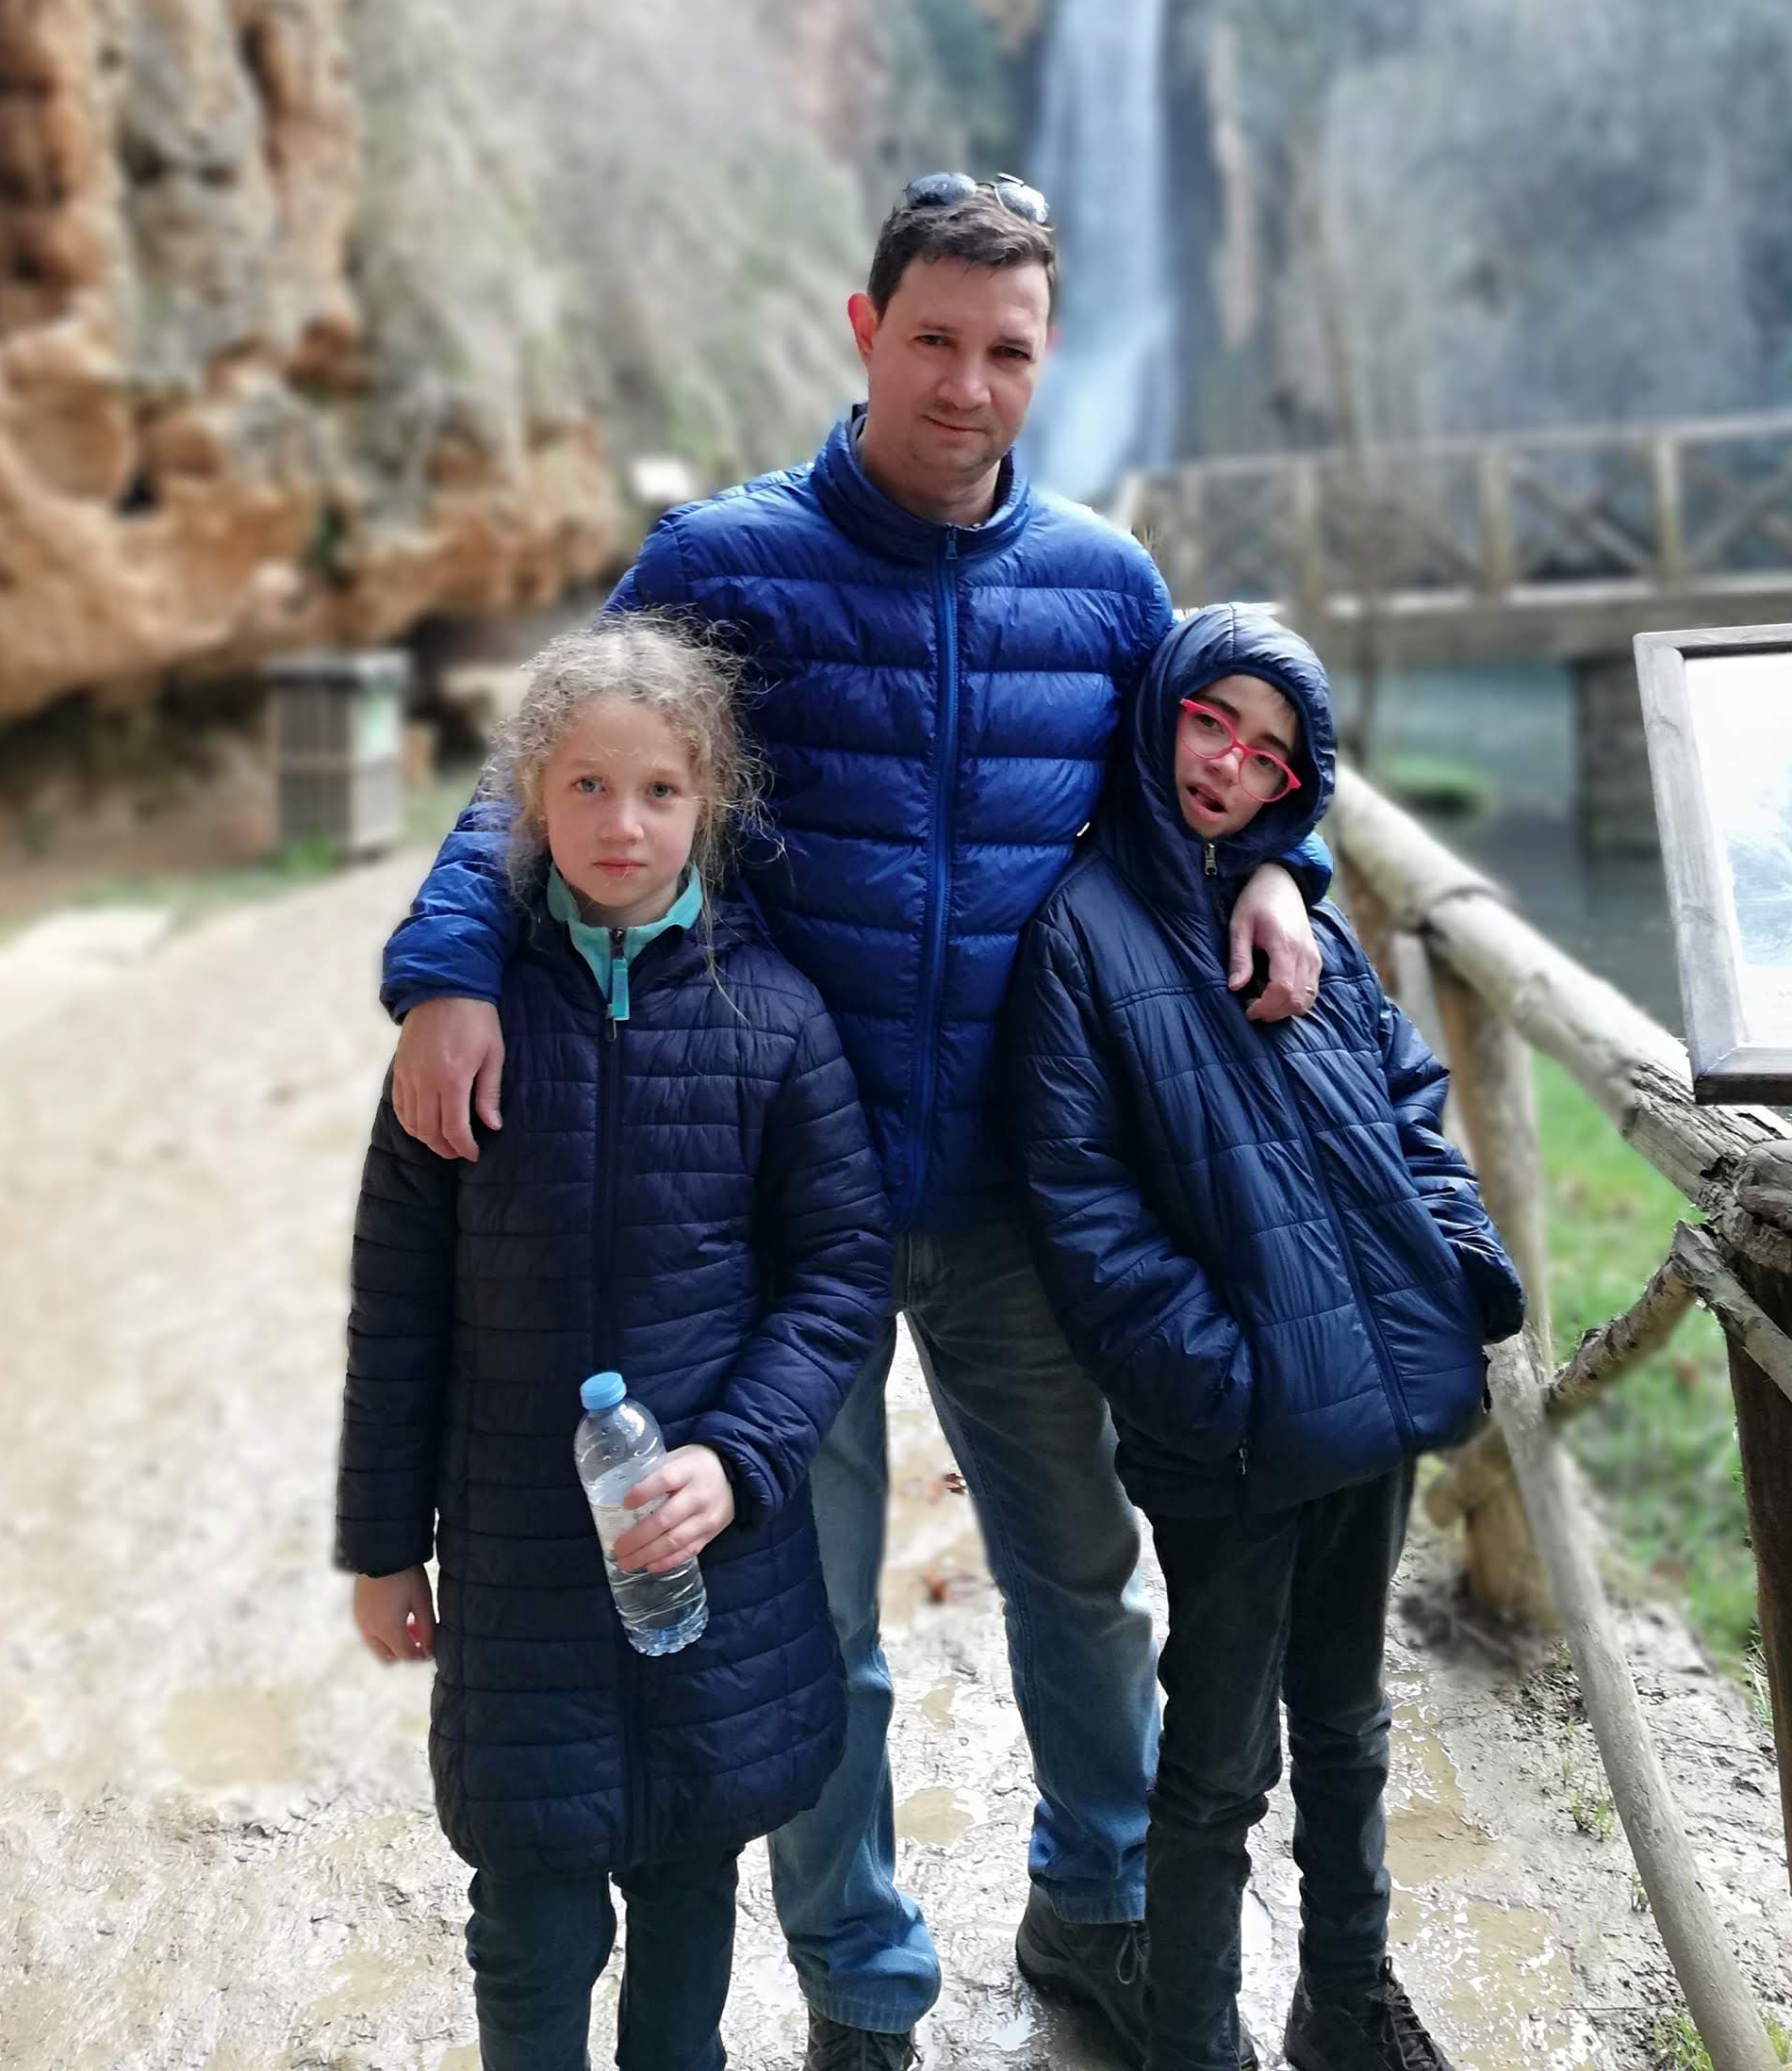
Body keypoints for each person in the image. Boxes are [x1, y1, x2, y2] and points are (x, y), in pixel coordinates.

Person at [381, 173, 1331, 2071]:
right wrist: (447, 967)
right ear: (860, 331)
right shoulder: (723, 565)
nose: (967, 386)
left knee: (1076, 1571)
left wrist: (1286, 869)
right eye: (934, 341)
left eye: (1007, 352)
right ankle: (862, 1984)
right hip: (766, 1199)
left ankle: (1099, 1910)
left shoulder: (1103, 585)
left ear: (1041, 362)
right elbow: (554, 773)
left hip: (1014, 1191)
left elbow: (1205, 788)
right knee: (811, 1624)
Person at [337, 616, 891, 2071]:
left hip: (710, 1550)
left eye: (658, 790)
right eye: (585, 787)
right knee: (531, 1924)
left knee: (690, 1895)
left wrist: (740, 1457)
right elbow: (395, 1303)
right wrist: (384, 1544)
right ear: (528, 800)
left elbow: (841, 1271)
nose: (622, 823)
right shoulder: (462, 1037)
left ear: (712, 802)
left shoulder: (776, 1020)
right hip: (521, 1557)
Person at [1010, 602, 1527, 2071]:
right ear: (1158, 713)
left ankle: (1346, 2004)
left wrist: (1460, 1271)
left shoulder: (1307, 923)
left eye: (1269, 750)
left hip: (1370, 1404)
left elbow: (1410, 1101)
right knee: (1220, 1764)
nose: (1229, 763)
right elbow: (1087, 1215)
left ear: (1300, 783)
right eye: (1208, 722)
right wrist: (1225, 1386)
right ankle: (1192, 2035)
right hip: (1231, 1436)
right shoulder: (1078, 938)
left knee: (1351, 1726)